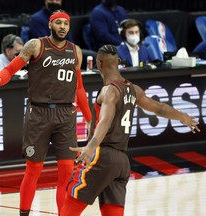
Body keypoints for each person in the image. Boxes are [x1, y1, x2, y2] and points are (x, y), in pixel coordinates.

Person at [60, 44, 200, 216]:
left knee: (70, 207)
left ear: (98, 63)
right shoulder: (133, 89)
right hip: (122, 161)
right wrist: (182, 116)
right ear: (118, 62)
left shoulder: (110, 90)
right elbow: (159, 108)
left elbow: (105, 121)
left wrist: (90, 146)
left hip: (102, 155)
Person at [0, 10, 92, 216]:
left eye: (66, 23)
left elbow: (79, 89)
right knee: (33, 171)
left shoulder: (76, 51)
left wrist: (89, 118)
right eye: (58, 23)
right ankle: (24, 213)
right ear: (50, 25)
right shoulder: (36, 45)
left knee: (66, 173)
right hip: (39, 114)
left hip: (65, 115)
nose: (62, 26)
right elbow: (12, 68)